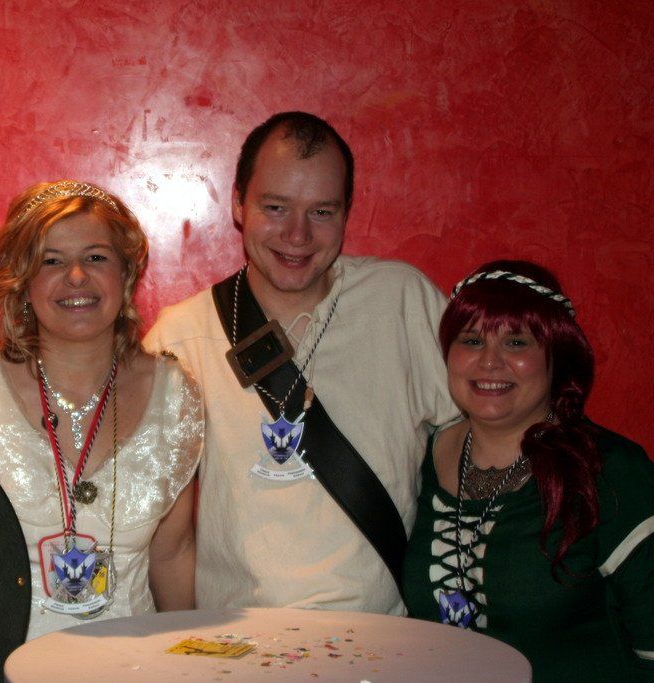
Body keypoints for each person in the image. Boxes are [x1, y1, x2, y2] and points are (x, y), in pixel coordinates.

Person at [144, 111, 458, 615]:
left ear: (347, 211)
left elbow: (481, 443)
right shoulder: (180, 339)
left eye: (322, 212)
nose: (298, 235)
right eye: (276, 207)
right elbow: (166, 536)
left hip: (386, 639)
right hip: (238, 641)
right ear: (238, 203)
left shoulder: (404, 302)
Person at [0, 180, 202, 639]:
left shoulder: (176, 396)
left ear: (125, 274)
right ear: (22, 280)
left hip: (131, 662)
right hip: (3, 660)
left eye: (96, 257)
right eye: (51, 261)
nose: (76, 276)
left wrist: (186, 653)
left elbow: (172, 554)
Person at [402, 261, 654, 680]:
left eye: (516, 342)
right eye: (471, 340)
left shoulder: (609, 470)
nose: (489, 362)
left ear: (557, 357)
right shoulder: (417, 456)